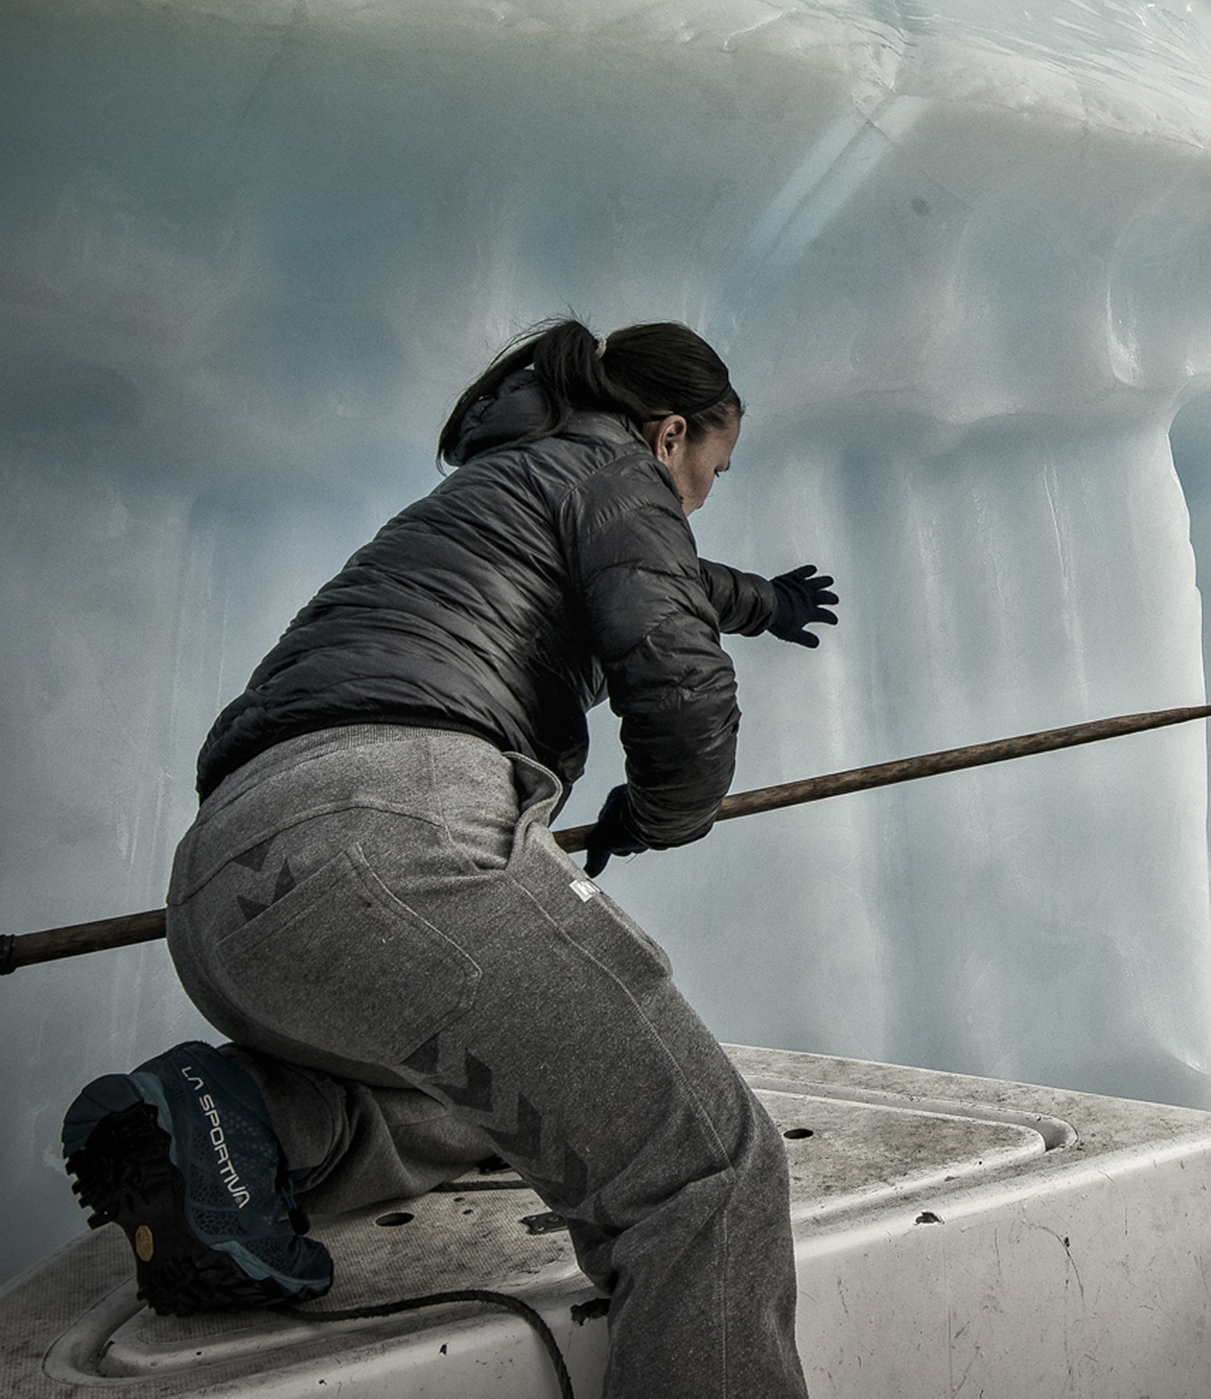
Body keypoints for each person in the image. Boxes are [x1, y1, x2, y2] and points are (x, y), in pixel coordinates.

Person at [57, 319, 832, 1399]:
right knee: (702, 1170)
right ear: (667, 435)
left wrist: (769, 603)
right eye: (710, 471)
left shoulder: (496, 494)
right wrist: (653, 815)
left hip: (232, 883)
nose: (700, 497)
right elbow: (678, 682)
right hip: (390, 828)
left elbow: (670, 577)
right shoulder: (617, 476)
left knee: (505, 1099)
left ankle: (251, 1121)